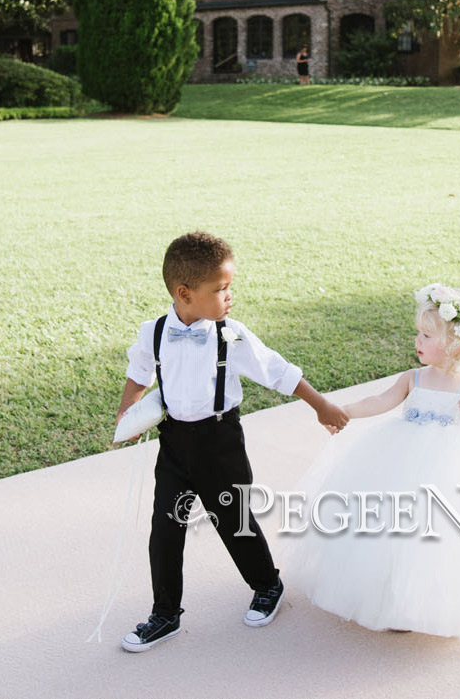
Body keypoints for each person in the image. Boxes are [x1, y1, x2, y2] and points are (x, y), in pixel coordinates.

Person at [116, 231, 349, 652]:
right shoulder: (154, 332)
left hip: (220, 440)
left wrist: (320, 405)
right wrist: (127, 412)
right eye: (220, 289)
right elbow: (138, 371)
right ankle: (165, 613)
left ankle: (267, 585)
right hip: (174, 445)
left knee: (233, 520)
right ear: (184, 293)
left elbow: (277, 370)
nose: (229, 297)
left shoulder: (230, 333)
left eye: (229, 287)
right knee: (165, 529)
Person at [282, 285, 460, 640]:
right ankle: (390, 600)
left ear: (454, 344)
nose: (417, 340)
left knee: (434, 538)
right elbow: (380, 401)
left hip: (447, 475)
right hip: (398, 462)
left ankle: (428, 603)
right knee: (389, 530)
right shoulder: (414, 378)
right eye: (418, 333)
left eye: (426, 335)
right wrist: (346, 411)